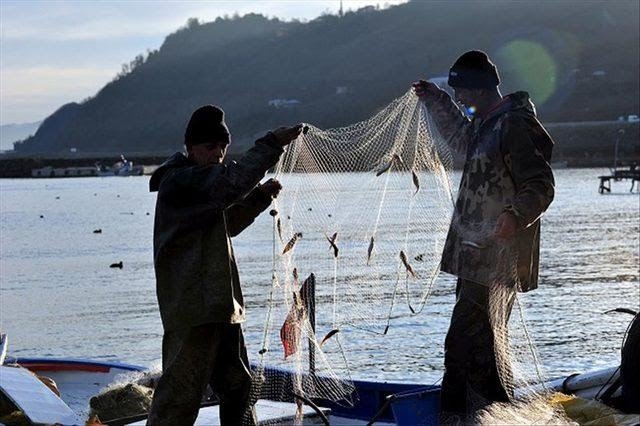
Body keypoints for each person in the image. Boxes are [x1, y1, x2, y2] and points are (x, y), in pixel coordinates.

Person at [413, 50, 555, 419]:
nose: (459, 97)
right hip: (474, 256)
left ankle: (476, 415)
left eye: (460, 91)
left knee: (469, 344)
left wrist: (514, 216)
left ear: (477, 90)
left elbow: (540, 185)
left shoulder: (514, 125)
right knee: (478, 346)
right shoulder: (485, 123)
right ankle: (487, 414)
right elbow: (462, 141)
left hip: (498, 258)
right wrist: (437, 101)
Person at [146, 104, 303, 425]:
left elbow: (227, 223)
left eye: (222, 147)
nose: (217, 153)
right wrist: (271, 143)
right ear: (190, 149)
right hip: (192, 309)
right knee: (179, 396)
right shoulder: (180, 182)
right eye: (209, 147)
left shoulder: (203, 187)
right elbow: (230, 182)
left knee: (239, 387)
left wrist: (259, 199)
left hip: (221, 307)